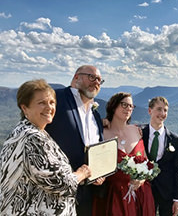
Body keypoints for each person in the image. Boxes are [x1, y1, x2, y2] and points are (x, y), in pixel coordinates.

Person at [0, 79, 92, 215]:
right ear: (25, 108)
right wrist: (82, 174)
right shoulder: (32, 137)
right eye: (41, 103)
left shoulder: (26, 131)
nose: (49, 108)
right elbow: (60, 183)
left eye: (51, 102)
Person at [45, 65, 105, 215]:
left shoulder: (95, 116)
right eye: (92, 77)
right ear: (76, 77)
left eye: (99, 80)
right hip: (56, 190)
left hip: (85, 192)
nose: (96, 82)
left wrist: (99, 173)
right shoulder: (56, 98)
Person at [92, 92, 155, 215]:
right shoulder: (102, 132)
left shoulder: (136, 130)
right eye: (124, 105)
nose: (128, 109)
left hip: (141, 193)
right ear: (114, 106)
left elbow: (147, 162)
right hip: (115, 196)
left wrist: (141, 179)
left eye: (131, 106)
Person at [142, 96, 178, 216]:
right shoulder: (139, 134)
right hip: (144, 190)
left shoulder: (175, 140)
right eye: (159, 109)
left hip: (167, 193)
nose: (162, 113)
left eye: (165, 110)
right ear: (150, 111)